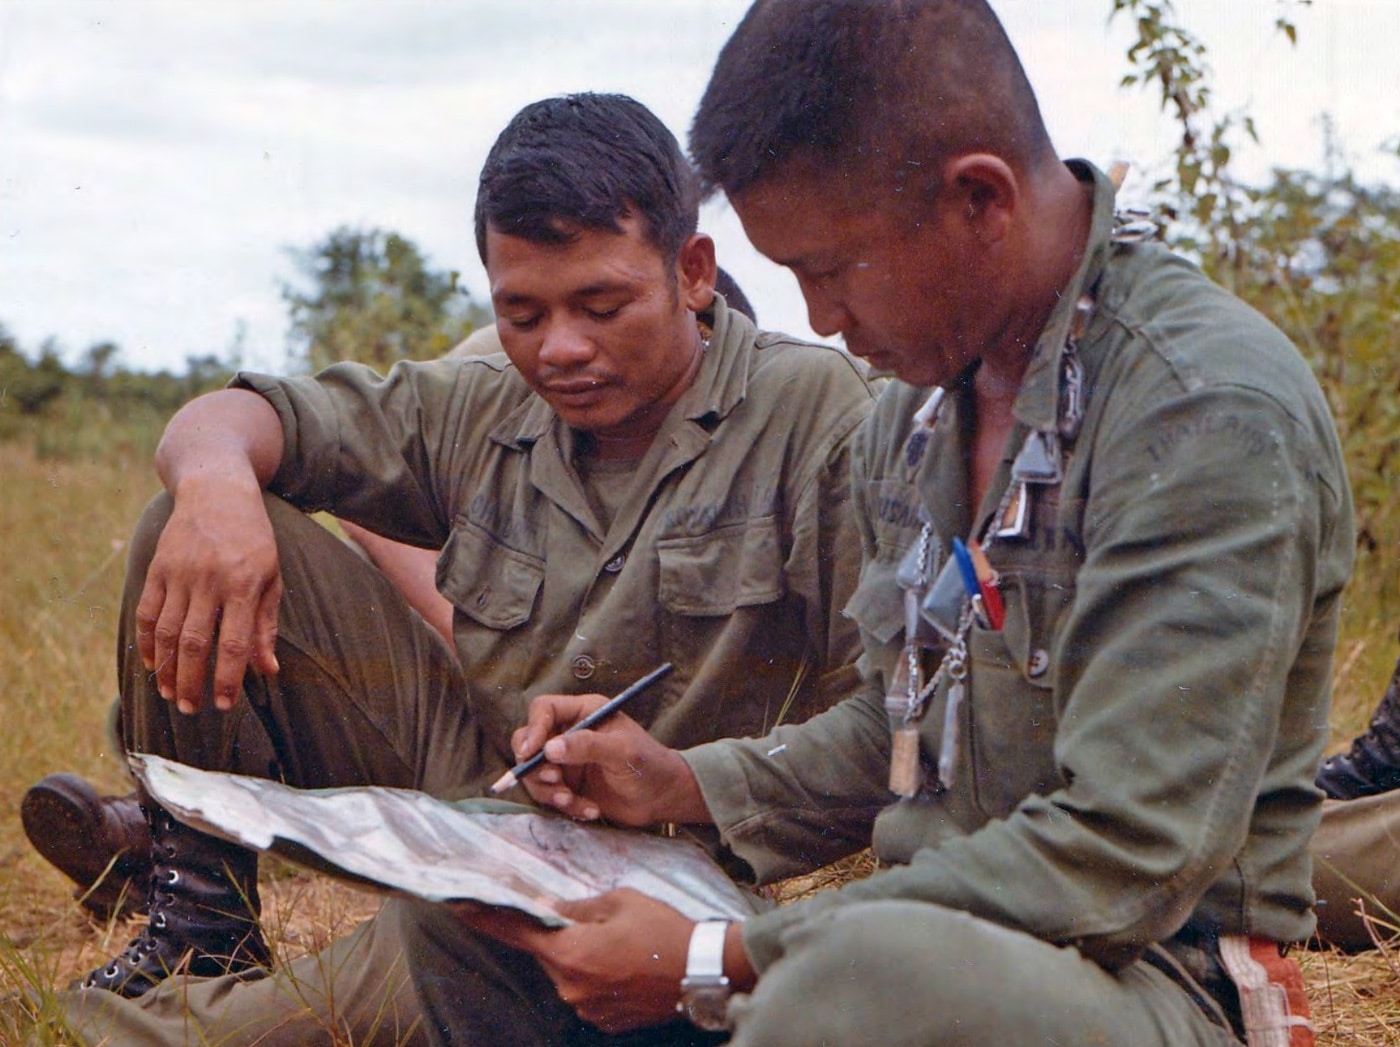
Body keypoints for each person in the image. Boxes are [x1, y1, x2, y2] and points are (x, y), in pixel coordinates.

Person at [393, 2, 1355, 1044]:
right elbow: (898, 735)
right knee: (480, 896)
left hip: (1138, 985)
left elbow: (1124, 852)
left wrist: (720, 959)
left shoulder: (1201, 407)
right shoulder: (913, 408)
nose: (815, 320)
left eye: (830, 268)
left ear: (977, 198)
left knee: (864, 981)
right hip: (891, 955)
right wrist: (676, 783)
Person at [31, 91, 874, 1044]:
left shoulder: (819, 416)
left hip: (664, 879)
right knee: (177, 527)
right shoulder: (481, 403)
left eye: (602, 305)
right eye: (521, 312)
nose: (560, 348)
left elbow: (897, 724)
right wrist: (217, 487)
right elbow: (244, 416)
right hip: (481, 798)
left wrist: (686, 780)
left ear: (692, 272)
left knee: (215, 1025)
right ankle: (199, 932)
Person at [18, 263, 761, 926]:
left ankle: (144, 848)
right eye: (535, 313)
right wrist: (484, 654)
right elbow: (364, 491)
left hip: (633, 812)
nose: (569, 347)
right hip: (465, 717)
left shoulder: (775, 424)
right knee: (200, 577)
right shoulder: (506, 370)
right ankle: (182, 887)